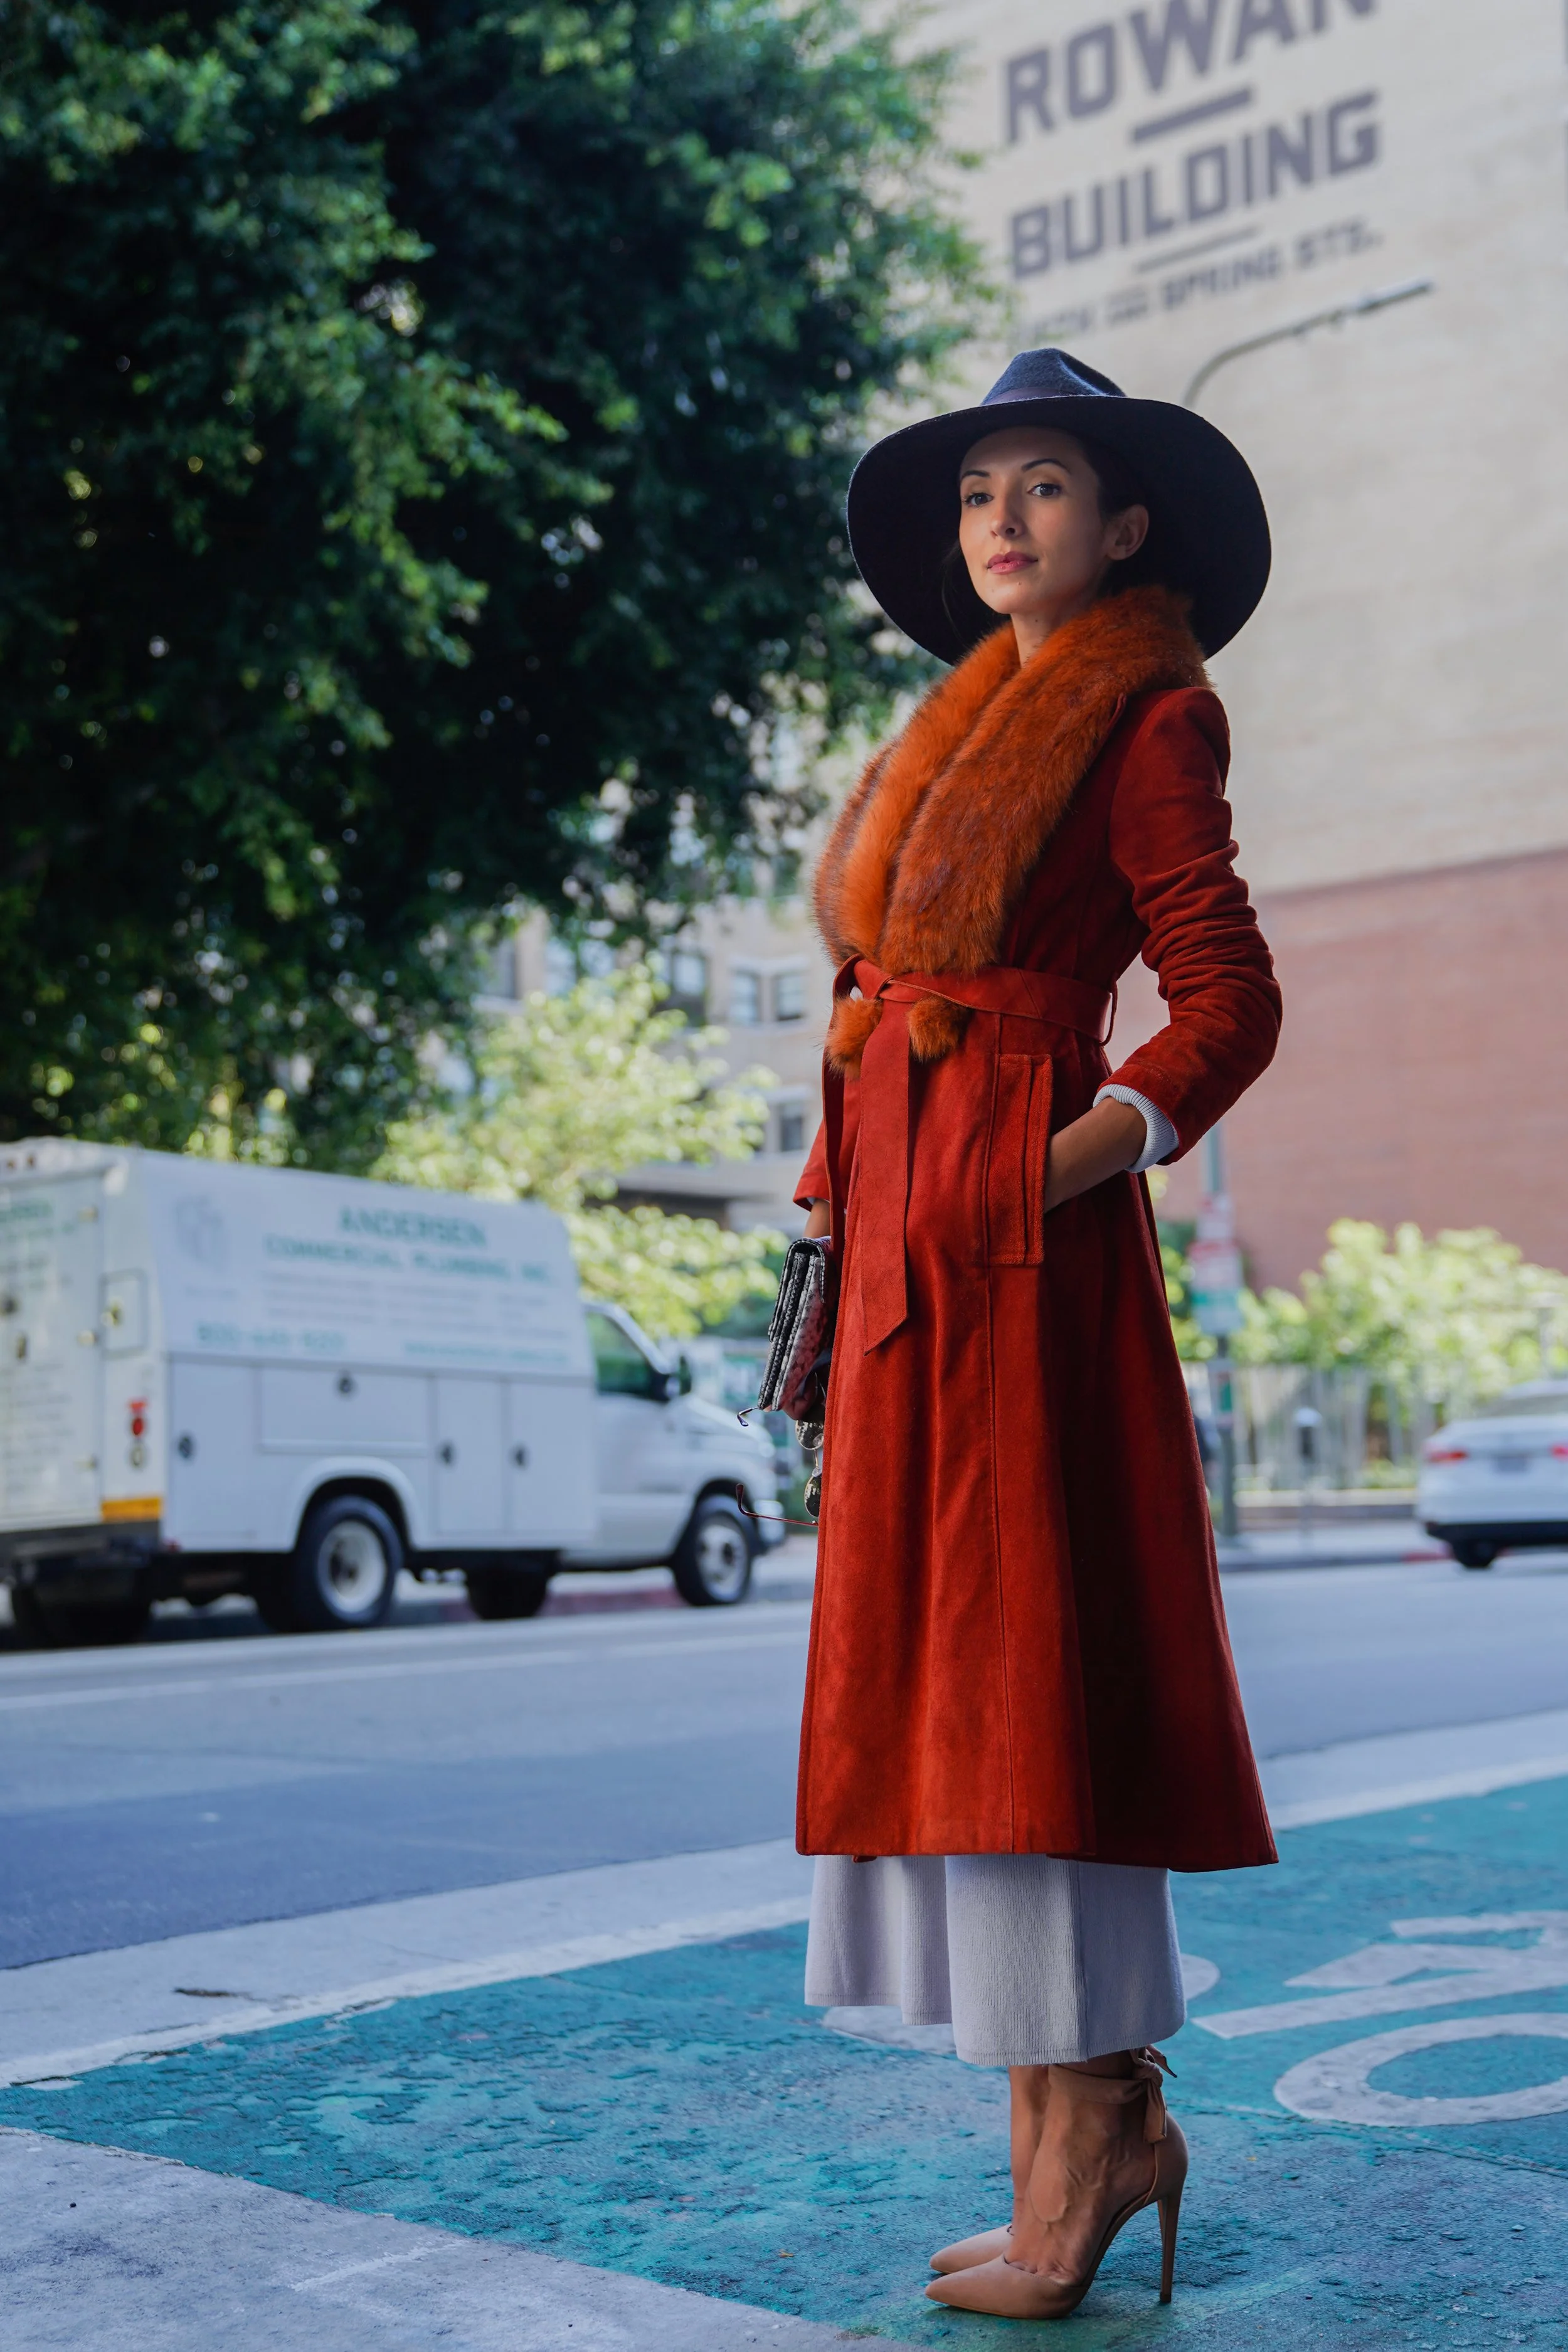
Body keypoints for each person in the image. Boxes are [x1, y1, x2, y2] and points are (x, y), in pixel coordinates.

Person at [791, 347, 1282, 2320]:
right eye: (980, 489)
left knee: (1023, 1681)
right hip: (904, 1254)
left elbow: (1225, 1000)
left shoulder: (1150, 716)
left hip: (1012, 1250)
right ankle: (1063, 2136)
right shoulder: (951, 735)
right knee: (945, 1697)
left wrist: (1050, 1162)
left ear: (1125, 522)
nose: (1001, 517)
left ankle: (1093, 2141)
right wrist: (842, 1229)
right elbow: (875, 1022)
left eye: (1047, 484)